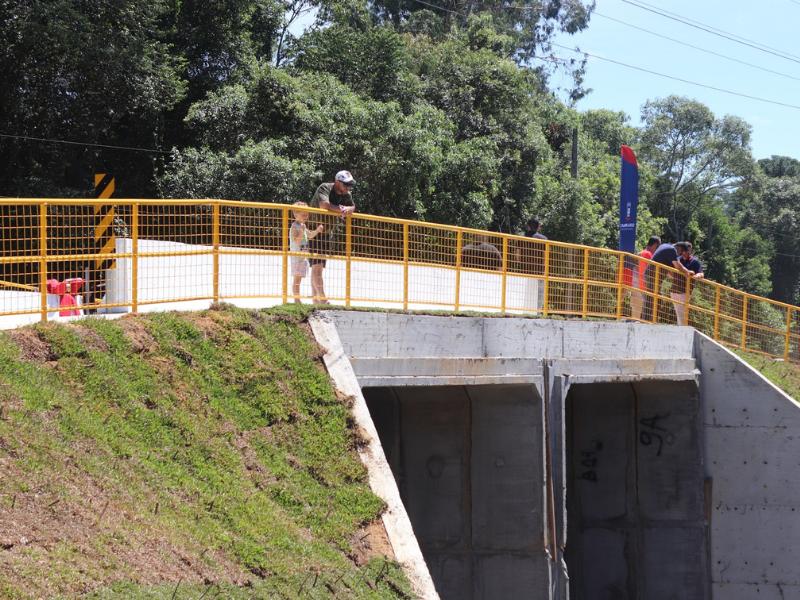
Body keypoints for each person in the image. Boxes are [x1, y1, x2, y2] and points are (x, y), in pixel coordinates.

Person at [308, 170, 357, 304]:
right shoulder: (325, 187)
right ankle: (323, 300)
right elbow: (324, 205)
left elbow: (352, 207)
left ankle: (315, 302)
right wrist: (342, 209)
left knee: (317, 268)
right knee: (317, 267)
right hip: (314, 231)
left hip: (326, 234)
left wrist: (350, 209)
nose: (348, 188)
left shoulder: (346, 194)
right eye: (346, 184)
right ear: (337, 182)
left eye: (349, 185)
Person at [289, 202, 324, 304]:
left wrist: (317, 230)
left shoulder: (303, 226)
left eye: (307, 214)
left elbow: (309, 235)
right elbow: (297, 240)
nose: (306, 216)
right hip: (296, 257)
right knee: (297, 280)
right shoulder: (295, 226)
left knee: (299, 278)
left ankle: (297, 299)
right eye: (303, 215)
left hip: (303, 257)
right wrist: (301, 231)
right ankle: (297, 300)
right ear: (296, 215)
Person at [670, 241, 704, 326]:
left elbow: (701, 273)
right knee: (678, 313)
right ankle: (681, 329)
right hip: (674, 290)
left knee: (681, 314)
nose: (685, 253)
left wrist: (696, 276)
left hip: (685, 292)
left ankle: (682, 330)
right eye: (683, 251)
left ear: (690, 251)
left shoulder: (694, 262)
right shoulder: (678, 260)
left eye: (687, 251)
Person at [630, 236, 661, 321]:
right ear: (655, 245)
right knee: (646, 308)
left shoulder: (640, 253)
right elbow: (647, 271)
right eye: (658, 246)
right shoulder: (648, 254)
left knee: (638, 308)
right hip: (644, 284)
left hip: (637, 284)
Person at [523, 217, 548, 312]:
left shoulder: (521, 238)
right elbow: (546, 257)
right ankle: (537, 312)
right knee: (539, 297)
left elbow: (517, 257)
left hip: (523, 273)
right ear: (538, 227)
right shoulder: (544, 239)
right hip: (539, 272)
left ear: (528, 226)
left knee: (525, 296)